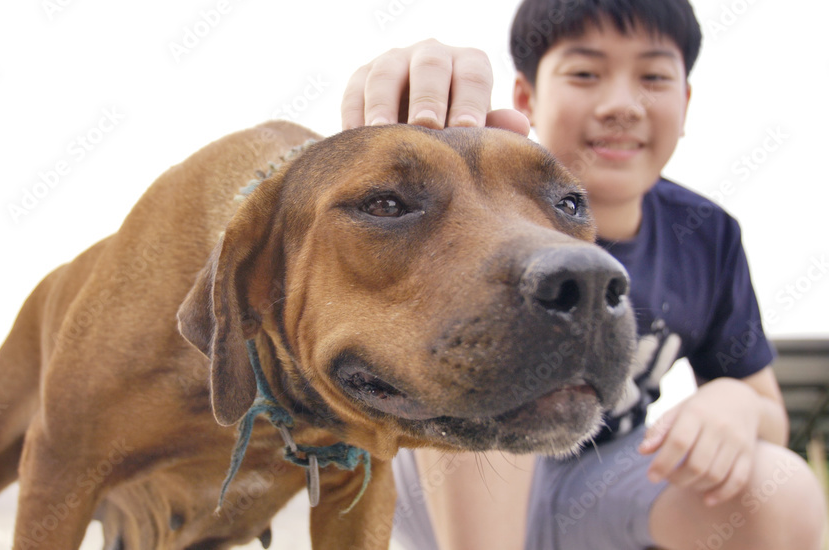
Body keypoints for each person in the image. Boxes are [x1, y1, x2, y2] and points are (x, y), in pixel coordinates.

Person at [341, 1, 827, 549]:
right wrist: (419, 96)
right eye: (585, 73)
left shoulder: (706, 235)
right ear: (526, 98)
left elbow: (771, 415)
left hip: (607, 480)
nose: (621, 103)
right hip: (455, 482)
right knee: (494, 354)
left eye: (653, 76)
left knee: (782, 489)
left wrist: (734, 403)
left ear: (686, 102)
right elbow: (392, 180)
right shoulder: (478, 194)